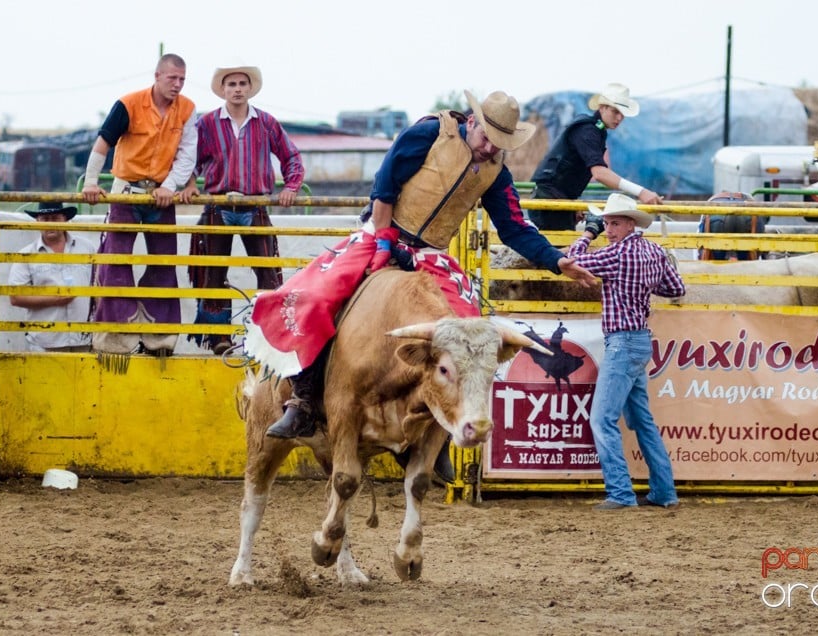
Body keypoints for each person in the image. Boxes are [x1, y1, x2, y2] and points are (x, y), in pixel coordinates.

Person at [243, 89, 596, 469]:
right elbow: (385, 184)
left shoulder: (496, 173)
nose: (491, 150)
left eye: (500, 145)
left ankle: (437, 436)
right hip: (384, 229)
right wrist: (382, 239)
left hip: (431, 256)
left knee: (467, 330)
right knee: (317, 297)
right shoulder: (429, 134)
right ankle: (303, 399)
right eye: (488, 140)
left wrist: (557, 261)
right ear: (473, 123)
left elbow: (513, 227)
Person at [566, 193, 685, 509]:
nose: (609, 229)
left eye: (613, 223)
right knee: (641, 421)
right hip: (640, 341)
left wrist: (587, 234)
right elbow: (676, 289)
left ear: (630, 224)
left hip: (621, 343)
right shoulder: (654, 251)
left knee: (602, 419)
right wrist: (645, 285)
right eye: (606, 223)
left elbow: (572, 262)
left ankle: (620, 493)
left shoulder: (615, 255)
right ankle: (664, 491)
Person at [178, 64, 305, 355]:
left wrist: (291, 187)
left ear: (249, 89)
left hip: (255, 203)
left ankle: (270, 335)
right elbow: (190, 158)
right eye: (231, 84)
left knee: (268, 273)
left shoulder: (266, 123)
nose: (236, 88)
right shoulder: (208, 123)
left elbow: (290, 156)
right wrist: (189, 184)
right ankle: (219, 337)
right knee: (212, 273)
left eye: (241, 84)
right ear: (223, 89)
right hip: (218, 204)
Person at [80, 53, 197, 356]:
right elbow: (103, 141)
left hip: (161, 192)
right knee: (116, 260)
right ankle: (115, 340)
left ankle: (159, 339)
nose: (178, 84)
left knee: (164, 261)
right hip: (126, 191)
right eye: (172, 77)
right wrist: (91, 181)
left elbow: (187, 153)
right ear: (157, 75)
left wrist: (170, 186)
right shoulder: (128, 104)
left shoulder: (187, 109)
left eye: (182, 79)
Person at [529, 83, 662, 231]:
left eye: (622, 114)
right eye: (615, 111)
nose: (619, 118)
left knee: (563, 249)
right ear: (602, 107)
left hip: (555, 199)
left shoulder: (594, 130)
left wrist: (571, 203)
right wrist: (641, 192)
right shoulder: (588, 131)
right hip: (549, 201)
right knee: (565, 252)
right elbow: (599, 173)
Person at [8, 201, 96, 352]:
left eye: (55, 218)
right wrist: (55, 299)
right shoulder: (25, 255)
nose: (50, 223)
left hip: (85, 339)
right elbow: (15, 297)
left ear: (65, 219)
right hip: (45, 342)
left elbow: (99, 285)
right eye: (45, 219)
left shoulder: (87, 248)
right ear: (37, 222)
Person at [698, 191, 768, 261]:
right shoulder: (750, 200)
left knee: (712, 260)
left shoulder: (713, 200)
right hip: (748, 214)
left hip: (716, 214)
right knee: (747, 261)